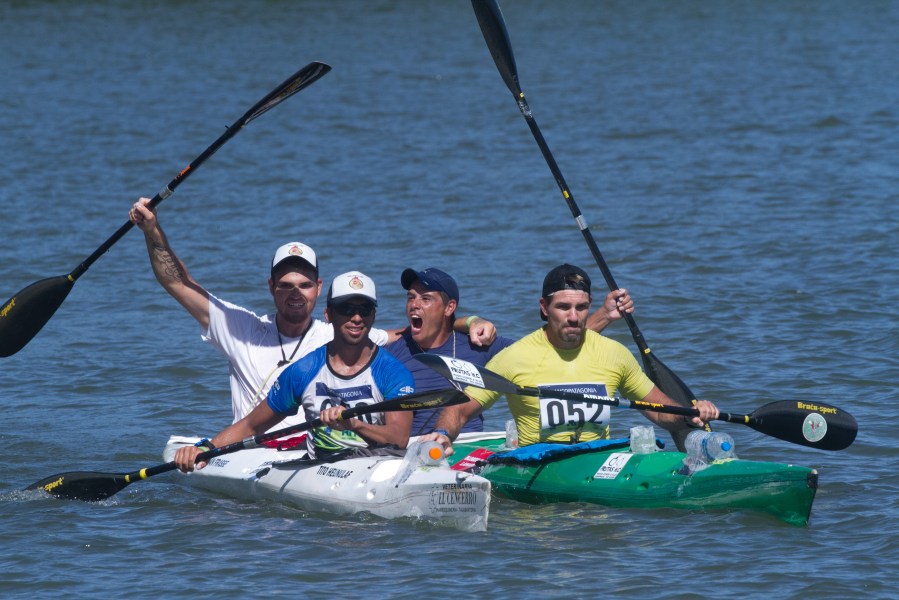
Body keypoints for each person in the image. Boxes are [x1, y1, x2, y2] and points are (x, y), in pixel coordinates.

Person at [128, 198, 492, 428]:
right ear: (271, 287)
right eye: (285, 285)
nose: (295, 294)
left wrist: (470, 321)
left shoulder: (341, 333)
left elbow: (417, 330)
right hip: (251, 454)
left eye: (304, 285)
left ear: (319, 289)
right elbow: (177, 283)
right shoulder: (240, 328)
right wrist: (152, 230)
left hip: (316, 456)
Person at [423, 264, 719, 454]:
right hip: (538, 464)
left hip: (596, 460)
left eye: (582, 307)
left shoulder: (614, 353)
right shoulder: (514, 358)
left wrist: (688, 414)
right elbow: (460, 410)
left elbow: (659, 411)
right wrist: (442, 433)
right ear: (544, 307)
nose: (574, 317)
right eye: (563, 307)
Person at [174, 271, 415, 471]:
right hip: (320, 470)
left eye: (365, 309)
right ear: (329, 315)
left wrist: (354, 424)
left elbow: (399, 437)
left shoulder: (393, 372)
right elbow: (252, 426)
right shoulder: (304, 370)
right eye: (346, 308)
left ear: (373, 315)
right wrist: (206, 448)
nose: (356, 317)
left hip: (377, 467)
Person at [386, 267, 635, 436]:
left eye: (425, 299)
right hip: (415, 450)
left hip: (470, 450)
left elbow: (546, 350)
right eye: (410, 298)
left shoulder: (479, 345)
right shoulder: (391, 354)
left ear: (450, 307)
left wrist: (603, 316)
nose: (414, 305)